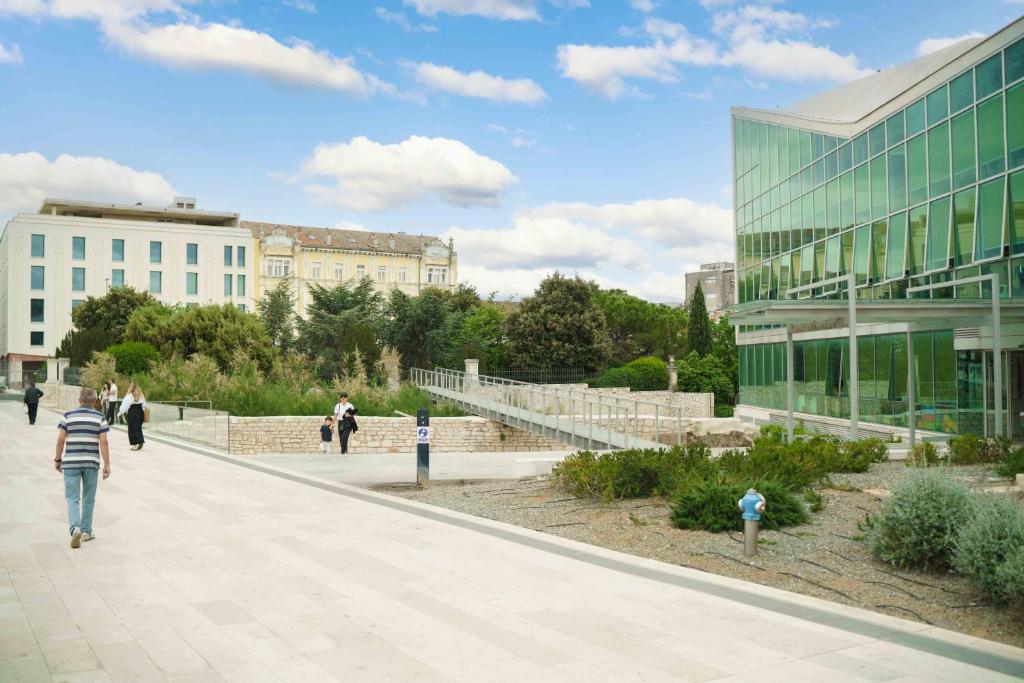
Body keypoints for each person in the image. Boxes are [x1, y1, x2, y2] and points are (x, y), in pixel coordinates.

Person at [55, 386, 110, 548]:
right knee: (88, 497)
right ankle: (86, 531)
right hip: (91, 463)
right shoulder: (100, 417)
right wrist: (107, 464)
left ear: (79, 400)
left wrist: (57, 460)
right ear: (94, 401)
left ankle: (75, 529)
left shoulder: (67, 416)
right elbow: (104, 442)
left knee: (72, 497)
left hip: (71, 462)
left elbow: (60, 440)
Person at [118, 382, 147, 451]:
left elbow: (124, 406)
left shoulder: (129, 396)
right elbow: (144, 405)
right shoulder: (141, 396)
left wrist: (120, 413)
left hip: (132, 413)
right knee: (138, 428)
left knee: (132, 430)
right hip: (140, 413)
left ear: (131, 389)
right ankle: (140, 441)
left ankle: (134, 446)